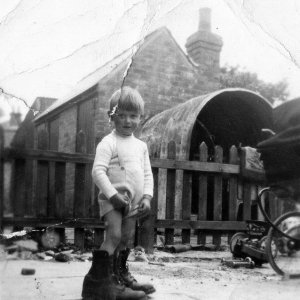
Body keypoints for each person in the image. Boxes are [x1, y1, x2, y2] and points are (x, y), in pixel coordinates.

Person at [82, 86, 155, 300]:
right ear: (111, 117)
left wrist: (147, 197)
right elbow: (97, 171)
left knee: (125, 239)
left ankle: (120, 277)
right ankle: (100, 284)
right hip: (113, 200)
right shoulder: (109, 142)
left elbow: (148, 174)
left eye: (133, 116)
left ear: (140, 117)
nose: (127, 121)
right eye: (121, 115)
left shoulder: (141, 146)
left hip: (133, 203)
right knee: (113, 236)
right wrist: (112, 195)